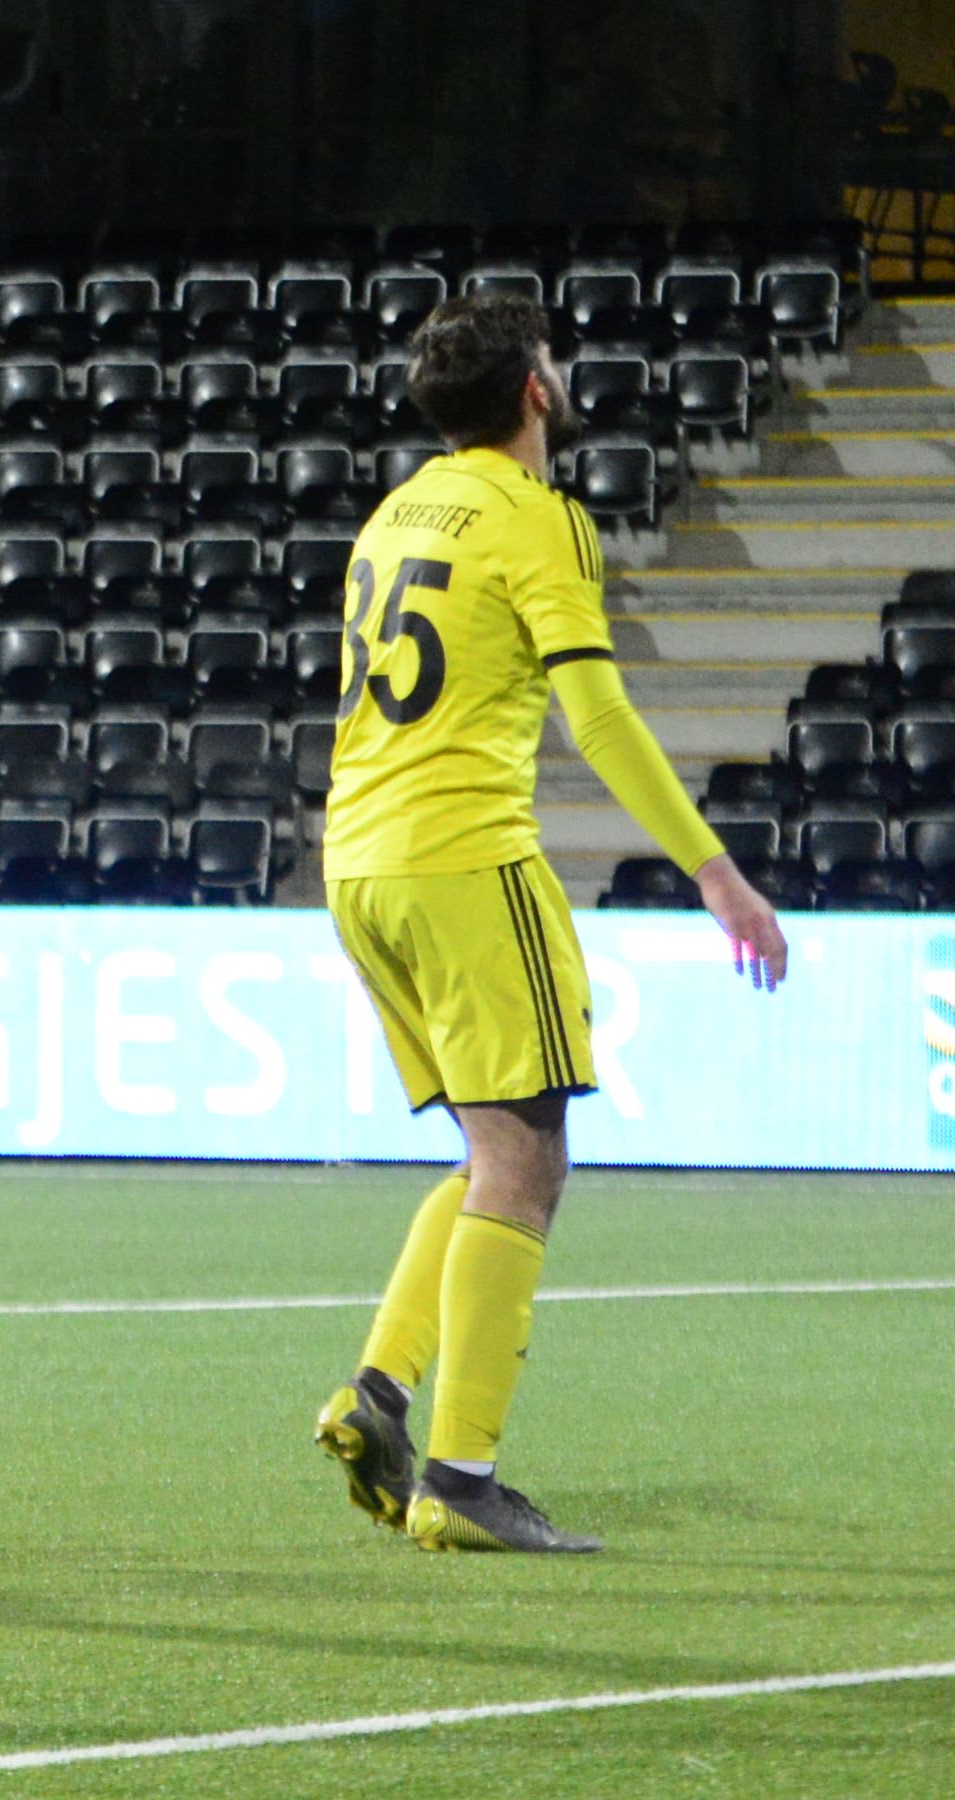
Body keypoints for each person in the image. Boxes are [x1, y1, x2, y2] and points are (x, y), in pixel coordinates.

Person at [310, 293, 787, 1554]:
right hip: (463, 856)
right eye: (552, 361)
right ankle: (460, 1479)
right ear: (533, 388)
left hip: (356, 859)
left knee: (488, 1152)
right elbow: (599, 715)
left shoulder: (393, 513)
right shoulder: (537, 515)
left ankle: (376, 1396)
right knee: (527, 1158)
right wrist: (715, 874)